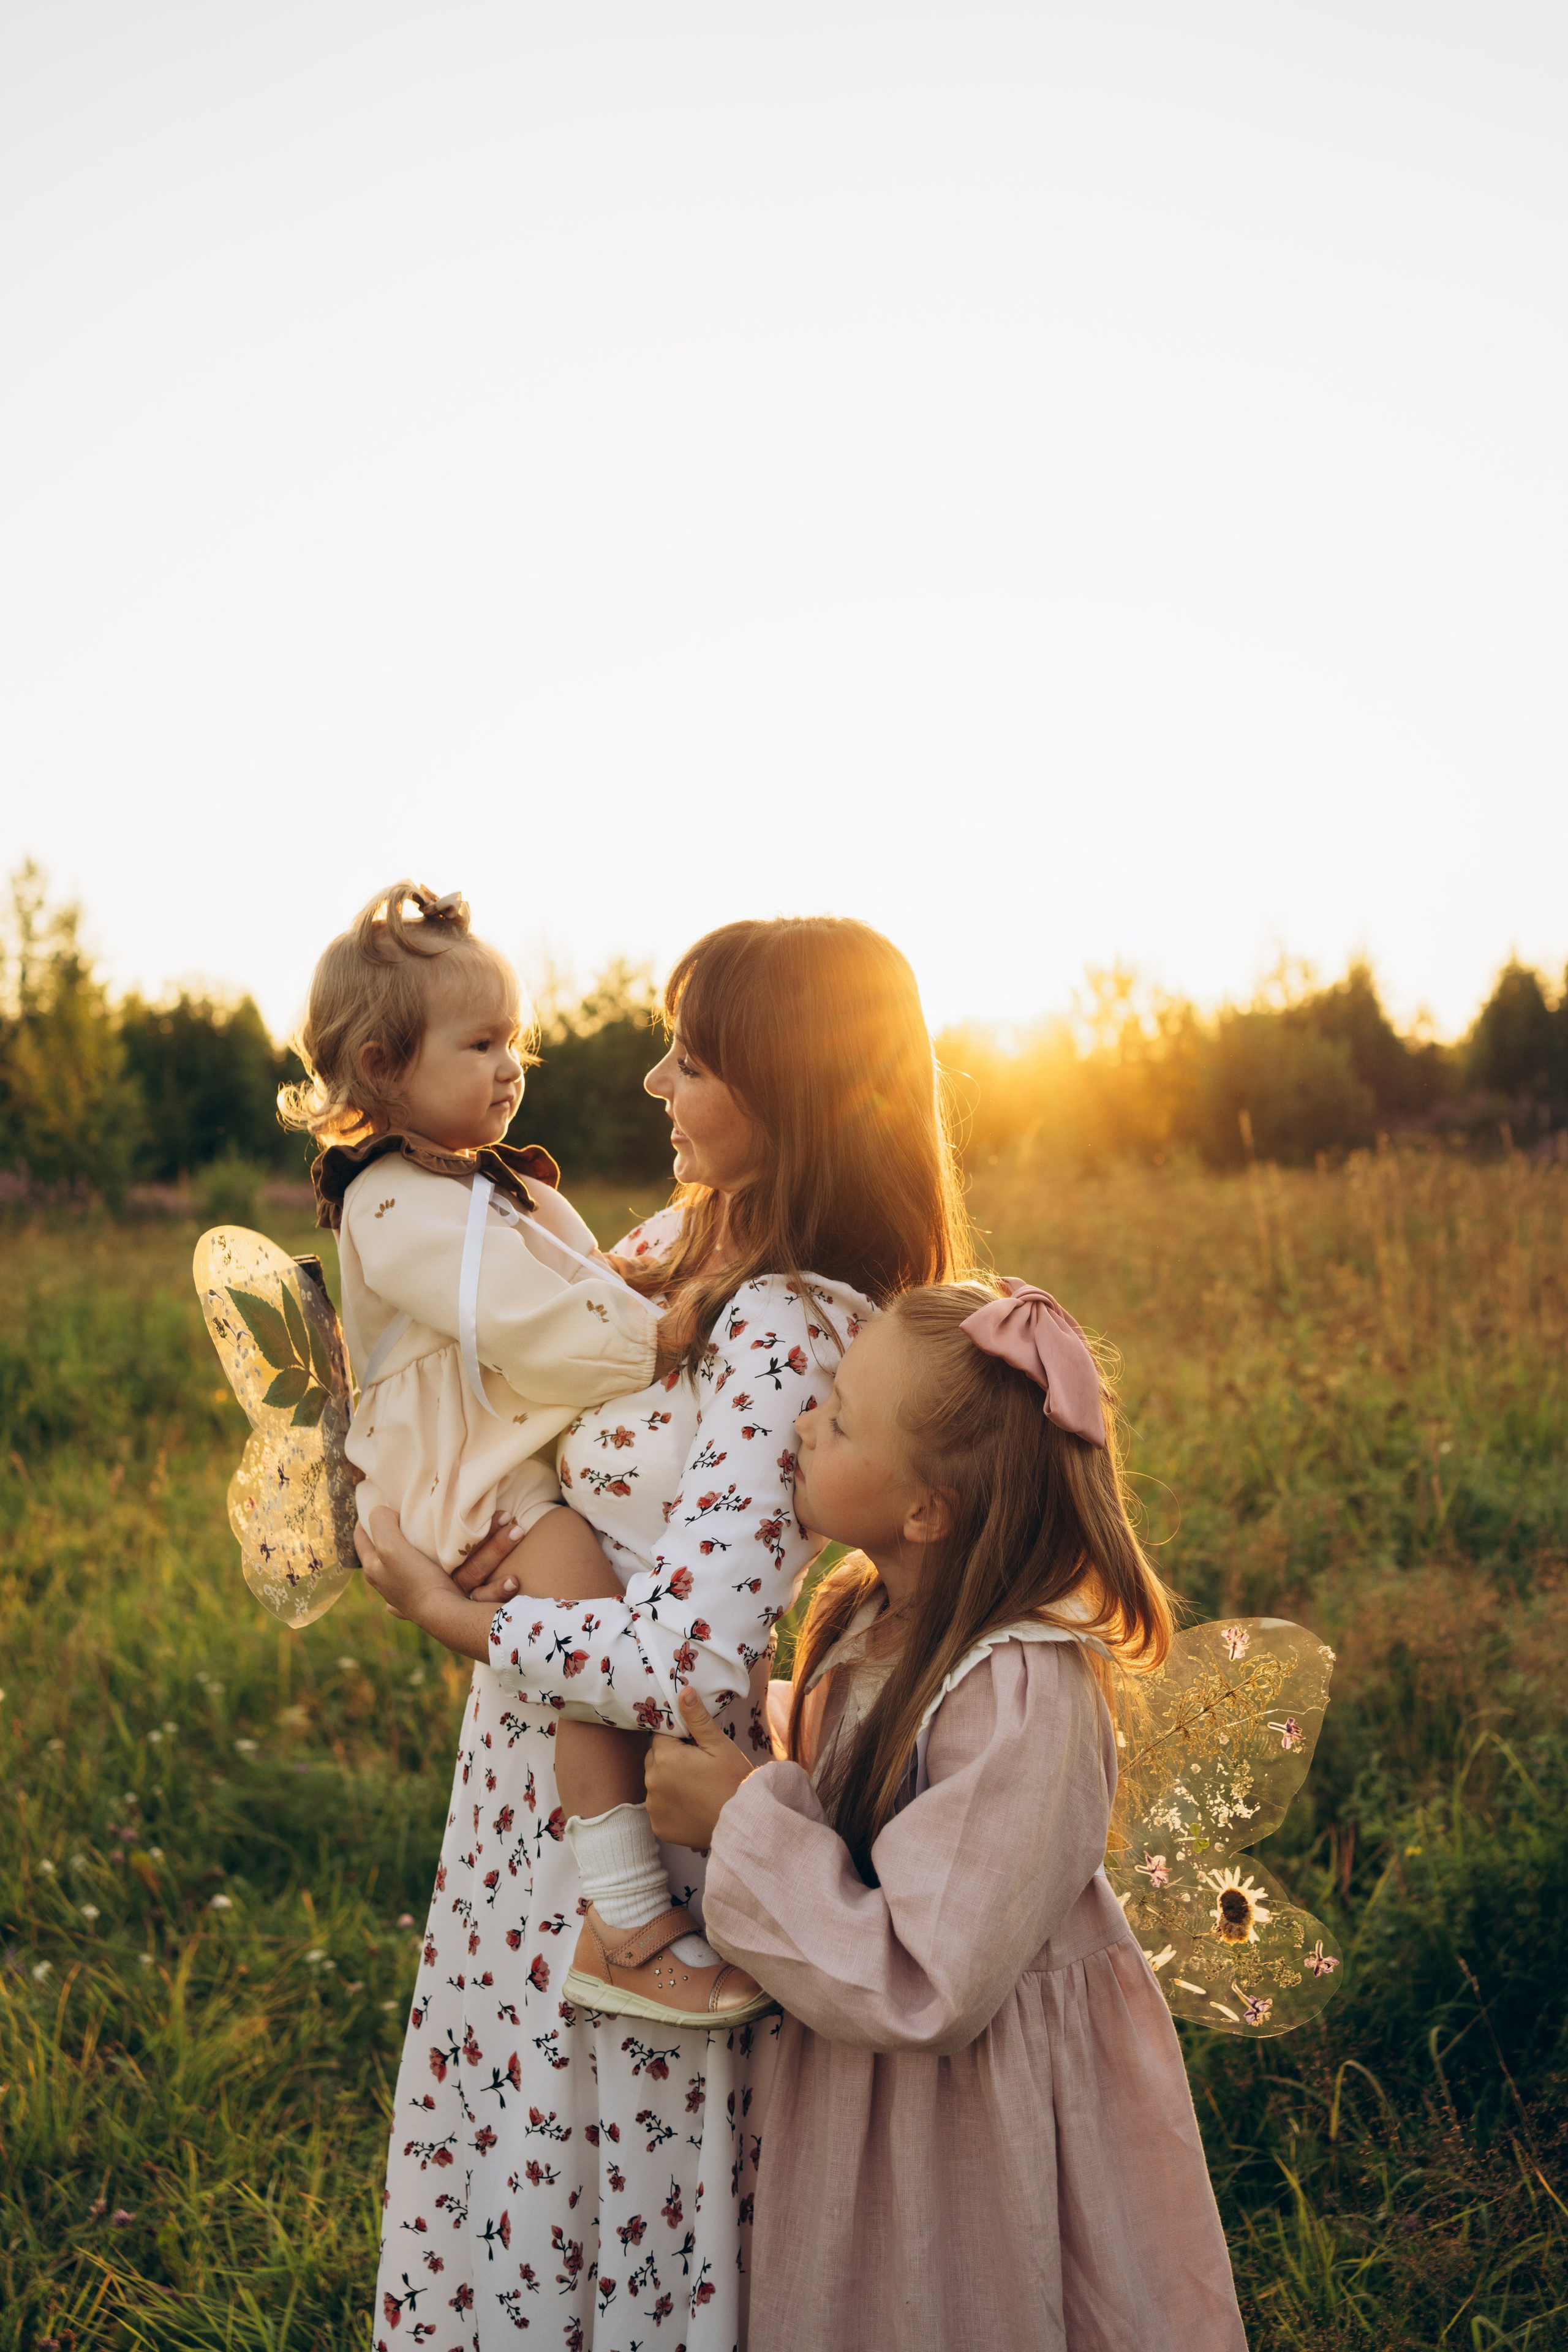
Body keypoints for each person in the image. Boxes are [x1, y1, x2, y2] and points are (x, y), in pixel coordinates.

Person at [358, 915, 969, 2352]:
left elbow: (690, 1663)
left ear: (791, 1091)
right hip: (527, 1813)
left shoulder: (797, 1324)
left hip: (639, 1832)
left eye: (689, 1064)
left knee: (587, 2230)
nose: (652, 1087)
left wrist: (457, 1617)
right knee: (499, 2185)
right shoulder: (673, 1237)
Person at [644, 1278, 1250, 2352]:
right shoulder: (875, 1611)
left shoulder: (1025, 1691)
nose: (804, 1417)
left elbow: (928, 1981)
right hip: (869, 2085)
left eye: (841, 1412)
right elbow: (863, 1781)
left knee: (951, 2294)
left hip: (970, 2107)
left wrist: (742, 1816)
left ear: (928, 1509)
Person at [284, 880, 770, 2023]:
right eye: (482, 1042)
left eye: (519, 1041)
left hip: (503, 1460)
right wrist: (671, 1345)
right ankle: (625, 1921)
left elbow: (585, 1277)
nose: (512, 1066)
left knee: (585, 1650)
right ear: (382, 1064)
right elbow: (533, 1324)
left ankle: (628, 1900)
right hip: (467, 1492)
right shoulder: (393, 1207)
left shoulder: (493, 1188)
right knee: (592, 1650)